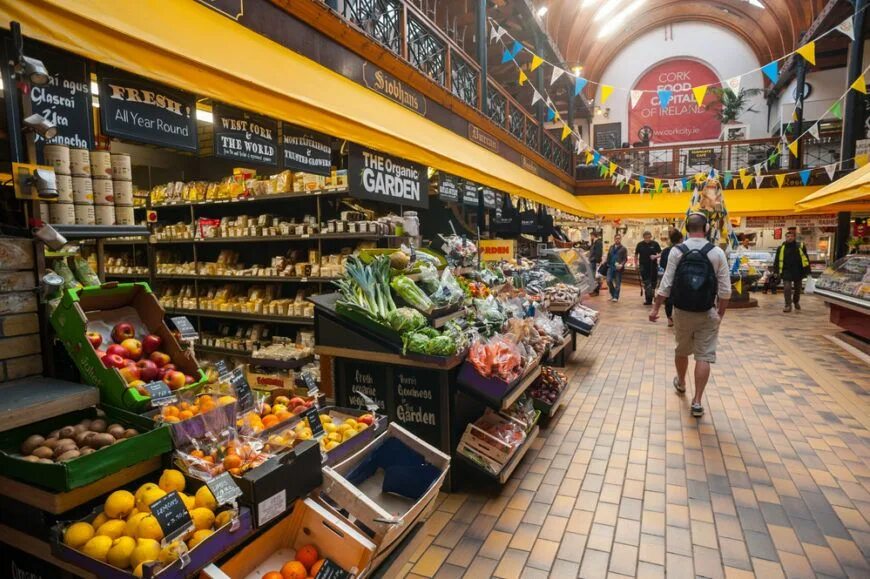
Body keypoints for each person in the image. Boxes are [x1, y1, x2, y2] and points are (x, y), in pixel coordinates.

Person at [649, 213, 731, 418]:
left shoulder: (678, 251)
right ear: (706, 228)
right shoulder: (717, 253)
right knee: (703, 355)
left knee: (682, 349)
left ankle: (682, 382)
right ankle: (697, 402)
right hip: (706, 310)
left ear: (687, 228)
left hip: (682, 311)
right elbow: (725, 290)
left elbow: (666, 284)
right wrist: (719, 314)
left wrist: (655, 309)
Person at [773, 228, 810, 312]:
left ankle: (796, 301)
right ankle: (787, 305)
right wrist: (776, 271)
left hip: (798, 271)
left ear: (794, 237)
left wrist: (808, 270)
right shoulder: (781, 248)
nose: (789, 238)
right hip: (786, 271)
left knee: (798, 289)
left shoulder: (800, 246)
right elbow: (777, 260)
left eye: (791, 236)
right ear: (785, 238)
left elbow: (806, 258)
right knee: (787, 288)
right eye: (788, 236)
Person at [659, 228, 684, 327]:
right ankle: (678, 318)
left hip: (668, 276)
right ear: (681, 239)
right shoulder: (684, 250)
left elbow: (661, 264)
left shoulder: (666, 251)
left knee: (668, 299)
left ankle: (669, 319)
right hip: (681, 279)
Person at [635, 231, 662, 305]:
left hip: (653, 266)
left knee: (653, 283)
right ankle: (648, 300)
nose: (647, 239)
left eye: (649, 237)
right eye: (646, 237)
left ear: (651, 237)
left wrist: (655, 256)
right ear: (643, 237)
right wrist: (636, 264)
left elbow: (661, 253)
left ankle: (652, 296)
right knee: (646, 283)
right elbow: (636, 254)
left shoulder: (655, 244)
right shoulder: (640, 244)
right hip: (643, 266)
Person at [606, 234, 627, 302]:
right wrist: (606, 262)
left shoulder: (623, 248)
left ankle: (616, 297)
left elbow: (625, 259)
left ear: (620, 239)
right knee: (608, 281)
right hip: (610, 267)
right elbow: (608, 256)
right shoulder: (611, 247)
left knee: (617, 283)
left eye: (619, 238)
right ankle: (613, 294)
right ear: (614, 239)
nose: (617, 240)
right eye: (616, 238)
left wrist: (621, 265)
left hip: (618, 268)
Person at [588, 230, 603, 296]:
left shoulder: (598, 242)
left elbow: (598, 253)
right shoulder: (594, 242)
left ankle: (596, 291)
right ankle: (593, 290)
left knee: (596, 277)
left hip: (595, 262)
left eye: (591, 236)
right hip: (592, 261)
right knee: (593, 277)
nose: (590, 237)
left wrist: (597, 261)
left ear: (593, 236)